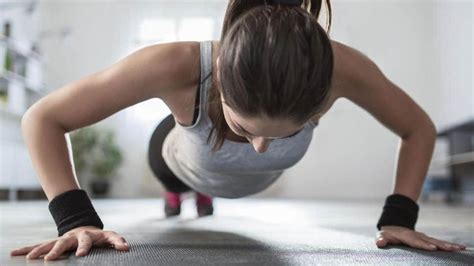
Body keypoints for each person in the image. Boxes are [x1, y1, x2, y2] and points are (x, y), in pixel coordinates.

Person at [10, 0, 467, 262]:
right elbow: (42, 118)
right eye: (244, 127)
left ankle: (203, 194)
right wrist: (75, 219)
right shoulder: (178, 64)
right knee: (175, 172)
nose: (262, 147)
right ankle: (180, 195)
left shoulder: (338, 69)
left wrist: (399, 217)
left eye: (283, 135)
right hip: (178, 157)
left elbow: (417, 128)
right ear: (222, 83)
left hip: (237, 182)